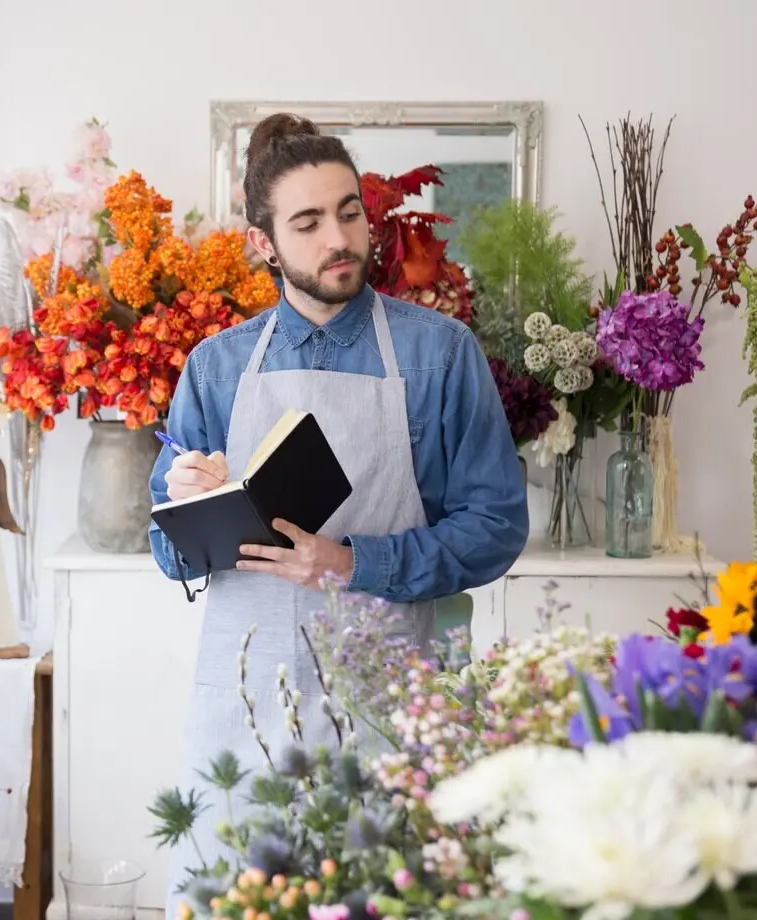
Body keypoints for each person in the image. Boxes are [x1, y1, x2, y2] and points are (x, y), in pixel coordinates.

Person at [147, 113, 528, 912]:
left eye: (350, 211)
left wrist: (354, 563)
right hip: (245, 704)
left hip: (391, 699)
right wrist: (189, 504)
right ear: (264, 244)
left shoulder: (440, 354)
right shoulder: (215, 368)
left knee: (393, 895)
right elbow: (168, 550)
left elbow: (495, 525)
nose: (340, 238)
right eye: (309, 222)